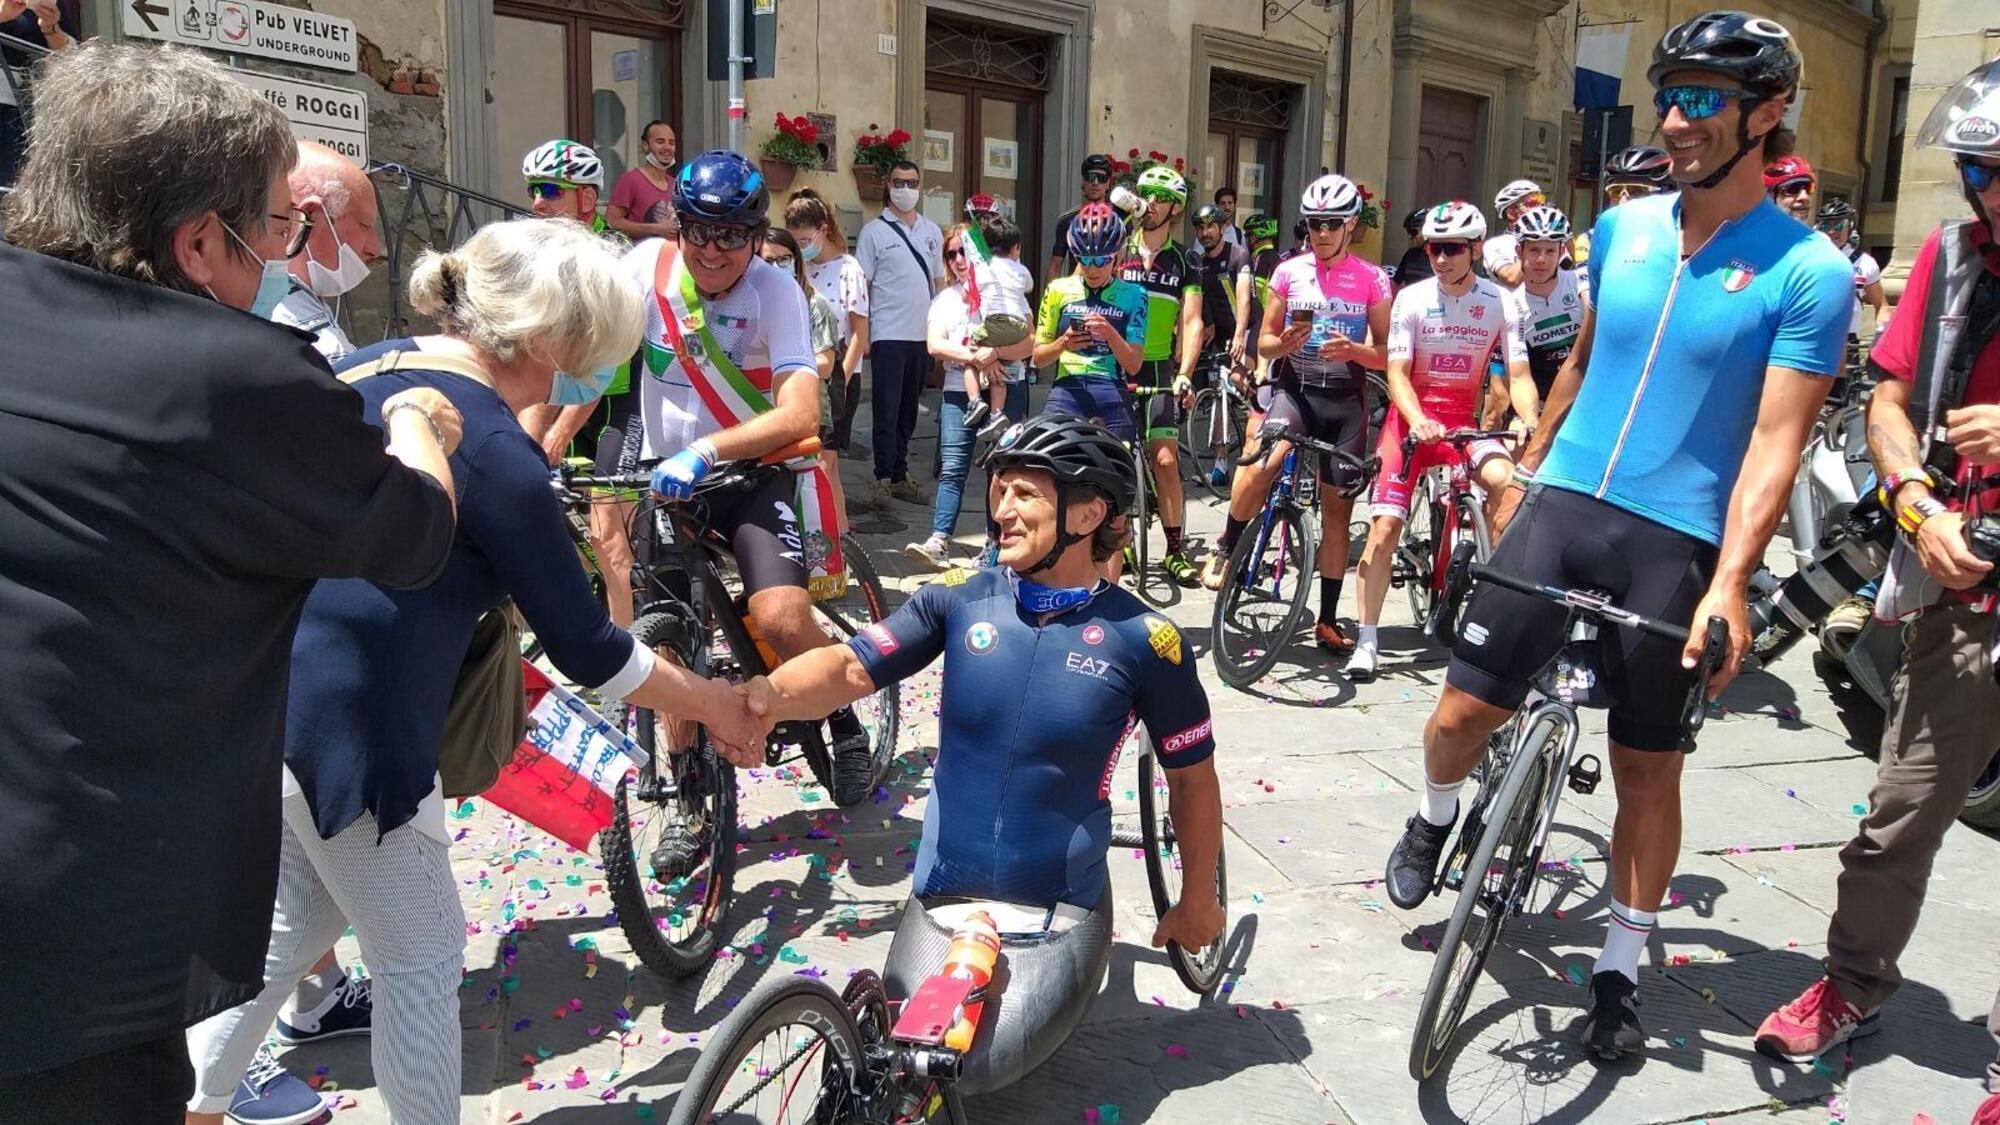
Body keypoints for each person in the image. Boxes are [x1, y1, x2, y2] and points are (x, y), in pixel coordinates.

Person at [182, 218, 769, 1125]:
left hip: (266, 691)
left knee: (299, 918)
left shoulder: (364, 366)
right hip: (360, 731)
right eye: (594, 348)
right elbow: (588, 650)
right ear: (549, 337)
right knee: (421, 953)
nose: (598, 372)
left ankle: (196, 1099)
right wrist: (714, 701)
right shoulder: (496, 452)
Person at [0, 41, 460, 1123]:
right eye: (277, 226)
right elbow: (414, 533)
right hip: (78, 906)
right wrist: (413, 419)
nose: (289, 255)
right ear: (200, 240)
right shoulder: (238, 377)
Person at [1384, 12, 1850, 1062]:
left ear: (1764, 115)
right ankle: (1431, 814)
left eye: (1701, 100)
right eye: (1666, 97)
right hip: (1564, 501)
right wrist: (1521, 463)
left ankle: (1619, 969)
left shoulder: (1806, 270)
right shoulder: (1623, 227)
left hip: (1676, 537)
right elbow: (1582, 364)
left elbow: (1773, 450)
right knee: (1458, 715)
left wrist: (1730, 583)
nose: (1674, 121)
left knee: (1646, 773)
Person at [738, 412, 1223, 1090]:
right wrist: (763, 697)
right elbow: (848, 668)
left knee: (968, 1072)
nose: (1001, 510)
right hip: (943, 899)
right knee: (892, 1069)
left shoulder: (1146, 640)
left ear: (1088, 512)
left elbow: (1193, 781)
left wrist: (1197, 899)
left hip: (1056, 911)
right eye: (999, 491)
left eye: (1025, 493)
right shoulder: (958, 603)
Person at [1753, 63, 2000, 1125]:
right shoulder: (1950, 262)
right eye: (1982, 172)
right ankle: (1851, 986)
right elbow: (1890, 400)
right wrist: (1913, 503)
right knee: (1898, 813)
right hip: (1962, 568)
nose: (1992, 195)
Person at [634, 150, 881, 806]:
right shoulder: (644, 271)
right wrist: (539, 436)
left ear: (753, 235)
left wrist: (707, 452)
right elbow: (581, 362)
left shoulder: (777, 292)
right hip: (663, 478)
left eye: (735, 236)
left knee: (777, 614)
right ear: (677, 225)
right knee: (670, 645)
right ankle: (687, 798)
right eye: (700, 232)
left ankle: (842, 720)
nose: (714, 251)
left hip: (746, 476)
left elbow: (800, 410)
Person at [1348, 200, 1535, 682]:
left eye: (1452, 249)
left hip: (1463, 427)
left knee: (1508, 484)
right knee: (1385, 528)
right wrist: (1417, 420)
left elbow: (1518, 373)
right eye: (1434, 248)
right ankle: (1367, 639)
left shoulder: (1502, 302)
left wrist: (1527, 418)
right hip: (1410, 423)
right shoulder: (1411, 299)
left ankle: (1487, 583)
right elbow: (1397, 374)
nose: (1441, 258)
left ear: (1475, 248)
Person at [1202, 176, 1391, 651]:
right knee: (1263, 461)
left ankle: (1327, 619)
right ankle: (1227, 546)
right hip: (1296, 391)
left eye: (1330, 224)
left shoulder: (1372, 279)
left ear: (1350, 226)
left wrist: (1355, 350)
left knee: (1336, 516)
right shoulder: (1289, 271)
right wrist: (1280, 343)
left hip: (1346, 402)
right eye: (1312, 224)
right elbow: (1263, 339)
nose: (1320, 233)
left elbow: (1389, 353)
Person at [514, 139, 648, 631]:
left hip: (616, 405)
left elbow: (604, 369)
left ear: (586, 200)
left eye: (550, 190)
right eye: (533, 189)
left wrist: (553, 437)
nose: (537, 202)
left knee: (609, 537)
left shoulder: (612, 263)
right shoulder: (542, 261)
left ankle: (628, 658)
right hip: (565, 395)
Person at [908, 222, 1038, 571]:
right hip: (958, 391)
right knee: (953, 468)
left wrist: (994, 355)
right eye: (951, 254)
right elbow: (935, 345)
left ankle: (996, 544)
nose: (958, 259)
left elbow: (1029, 342)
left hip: (1008, 385)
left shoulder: (1005, 287)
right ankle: (939, 539)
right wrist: (975, 356)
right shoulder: (945, 300)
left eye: (964, 251)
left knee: (1002, 470)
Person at [1117, 165, 1205, 585]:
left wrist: (1185, 372)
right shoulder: (1119, 245)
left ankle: (1174, 550)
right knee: (1115, 457)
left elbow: (1191, 322)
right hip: (1116, 363)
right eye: (1144, 194)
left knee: (1166, 461)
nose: (1149, 203)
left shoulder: (1185, 259)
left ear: (1175, 207)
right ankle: (1119, 537)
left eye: (1158, 197)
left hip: (1157, 367)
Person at [856, 158, 946, 505]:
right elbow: (862, 285)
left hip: (921, 335)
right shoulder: (874, 231)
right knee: (886, 407)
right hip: (888, 334)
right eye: (898, 182)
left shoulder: (931, 232)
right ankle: (882, 475)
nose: (905, 189)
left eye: (911, 183)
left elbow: (939, 281)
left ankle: (899, 471)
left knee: (910, 407)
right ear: (888, 186)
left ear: (920, 188)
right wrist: (861, 334)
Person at [787, 188, 869, 538]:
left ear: (823, 229)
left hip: (836, 379)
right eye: (796, 241)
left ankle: (828, 541)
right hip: (807, 377)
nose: (802, 246)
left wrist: (842, 380)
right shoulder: (802, 268)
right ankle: (841, 535)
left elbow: (860, 334)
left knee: (825, 462)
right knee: (825, 465)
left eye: (805, 239)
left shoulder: (849, 269)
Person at [1034, 203, 1149, 441]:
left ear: (1116, 254)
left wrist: (1109, 333)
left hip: (1111, 389)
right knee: (1044, 466)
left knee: (1119, 472)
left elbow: (1134, 365)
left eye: (1101, 260)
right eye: (1084, 260)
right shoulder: (1057, 290)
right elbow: (1038, 358)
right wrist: (1063, 344)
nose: (1092, 269)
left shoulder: (1135, 294)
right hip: (1067, 389)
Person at [268, 141, 383, 365]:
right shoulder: (315, 345)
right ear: (311, 216)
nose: (375, 247)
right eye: (363, 225)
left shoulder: (288, 304)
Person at [762, 228, 842, 470]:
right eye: (767, 261)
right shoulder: (752, 304)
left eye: (783, 259)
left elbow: (826, 365)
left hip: (810, 409)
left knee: (820, 480)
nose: (776, 267)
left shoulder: (815, 304)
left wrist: (784, 367)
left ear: (795, 261)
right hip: (764, 409)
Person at [956, 211, 1035, 434]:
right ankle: (996, 414)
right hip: (1018, 326)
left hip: (994, 323)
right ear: (1016, 248)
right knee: (1001, 372)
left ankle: (974, 401)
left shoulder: (984, 269)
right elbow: (1029, 286)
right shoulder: (1021, 271)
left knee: (971, 355)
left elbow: (966, 295)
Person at [1190, 201, 1252, 480]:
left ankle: (1264, 426)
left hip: (1249, 328)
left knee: (1241, 381)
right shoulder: (1200, 263)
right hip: (1222, 334)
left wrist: (1240, 334)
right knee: (1219, 393)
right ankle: (1220, 465)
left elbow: (1243, 297)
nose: (1205, 233)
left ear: (1222, 228)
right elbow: (1201, 302)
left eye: (1210, 226)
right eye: (1200, 228)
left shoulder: (1238, 254)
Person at [1507, 205, 1590, 411]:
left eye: (1550, 251)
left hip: (1588, 396)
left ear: (1562, 251)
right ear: (1520, 251)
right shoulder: (1511, 304)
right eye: (1534, 250)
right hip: (1544, 401)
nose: (1542, 259)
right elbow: (1516, 377)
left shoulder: (1581, 282)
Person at [1814, 199, 1889, 344]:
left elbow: (1882, 305)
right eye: (1824, 225)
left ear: (1851, 227)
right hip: (1812, 335)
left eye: (1838, 225)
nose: (1831, 231)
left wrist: (1881, 335)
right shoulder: (1807, 257)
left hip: (1848, 340)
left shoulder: (1866, 262)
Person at [606, 119, 678, 242]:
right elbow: (612, 221)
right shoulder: (630, 180)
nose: (667, 147)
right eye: (660, 142)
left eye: (671, 143)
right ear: (645, 145)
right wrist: (656, 229)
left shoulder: (676, 184)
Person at [1048, 153, 1116, 281]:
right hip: (1077, 292)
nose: (1095, 183)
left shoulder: (1119, 221)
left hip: (1111, 293)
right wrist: (1050, 298)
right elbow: (1055, 265)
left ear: (1108, 184)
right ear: (1083, 182)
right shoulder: (1067, 221)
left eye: (1101, 178)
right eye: (1090, 177)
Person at [1482, 178, 1545, 287]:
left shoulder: (1550, 239)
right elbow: (1511, 278)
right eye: (1533, 203)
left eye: (1541, 200)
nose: (1540, 207)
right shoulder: (1495, 245)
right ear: (1511, 213)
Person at [1765, 152, 1817, 223]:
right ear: (1769, 196)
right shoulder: (1748, 232)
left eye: (1809, 188)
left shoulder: (1817, 234)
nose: (1804, 197)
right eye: (1793, 188)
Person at [1391, 206, 1433, 289]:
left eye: (1413, 232)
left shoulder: (1441, 256)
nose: (1410, 236)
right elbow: (1395, 284)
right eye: (1408, 232)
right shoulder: (1410, 254)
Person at [1214, 184, 1245, 249]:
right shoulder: (1207, 232)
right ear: (1216, 206)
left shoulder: (1239, 234)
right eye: (1223, 203)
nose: (1227, 207)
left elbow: (1243, 258)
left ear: (1235, 205)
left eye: (1230, 203)